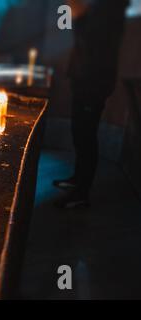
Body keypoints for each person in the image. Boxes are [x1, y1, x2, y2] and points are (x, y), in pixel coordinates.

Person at [54, 0, 129, 209]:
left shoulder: (110, 8)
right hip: (85, 78)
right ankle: (77, 179)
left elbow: (93, 40)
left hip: (93, 83)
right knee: (79, 132)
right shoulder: (101, 8)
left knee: (86, 136)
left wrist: (78, 14)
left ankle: (81, 193)